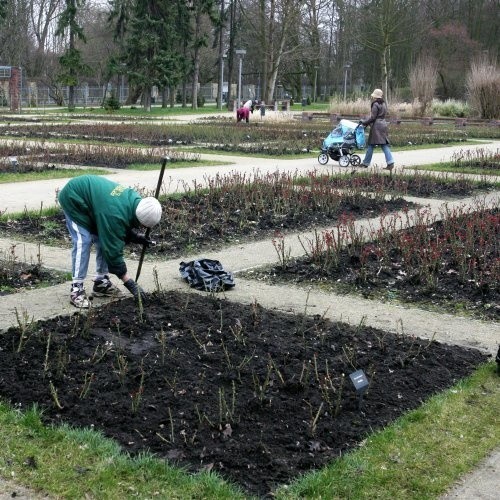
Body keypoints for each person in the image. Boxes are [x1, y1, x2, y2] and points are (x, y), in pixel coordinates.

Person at [58, 175, 162, 308]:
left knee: (103, 240)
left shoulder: (135, 201)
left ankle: (101, 283)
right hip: (74, 198)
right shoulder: (114, 214)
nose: (142, 228)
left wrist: (137, 238)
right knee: (83, 241)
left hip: (95, 203)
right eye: (143, 226)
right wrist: (129, 282)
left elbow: (119, 227)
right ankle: (76, 289)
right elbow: (113, 249)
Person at [359, 88, 394, 170]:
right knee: (384, 145)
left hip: (377, 127)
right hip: (383, 125)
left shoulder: (375, 104)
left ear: (375, 96)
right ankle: (390, 162)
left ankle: (365, 163)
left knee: (371, 145)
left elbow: (373, 117)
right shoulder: (384, 104)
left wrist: (364, 122)